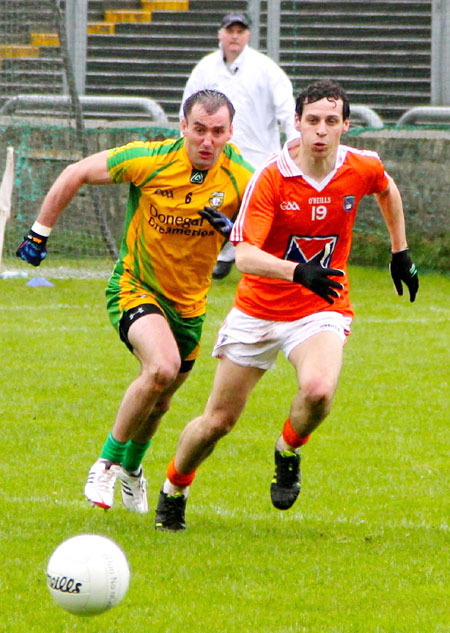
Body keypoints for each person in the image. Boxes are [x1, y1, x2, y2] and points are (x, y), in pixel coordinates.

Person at [154, 79, 419, 531]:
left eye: (330, 121)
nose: (320, 130)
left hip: (321, 307)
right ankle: (174, 488)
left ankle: (287, 450)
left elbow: (386, 189)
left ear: (345, 127)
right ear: (296, 123)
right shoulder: (273, 177)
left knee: (318, 391)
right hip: (258, 309)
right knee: (218, 422)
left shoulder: (362, 166)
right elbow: (246, 255)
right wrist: (298, 271)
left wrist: (400, 251)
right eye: (312, 120)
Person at [16, 89, 254, 515]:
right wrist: (39, 232)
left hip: (190, 306)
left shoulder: (241, 178)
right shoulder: (150, 159)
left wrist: (237, 229)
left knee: (160, 401)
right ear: (182, 127)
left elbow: (264, 237)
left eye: (217, 132)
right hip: (136, 287)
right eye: (198, 129)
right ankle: (105, 463)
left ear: (230, 133)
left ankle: (132, 471)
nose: (207, 141)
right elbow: (76, 172)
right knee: (160, 368)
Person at [180, 11, 297, 280]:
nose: (234, 36)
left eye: (240, 30)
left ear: (248, 34)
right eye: (229, 30)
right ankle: (215, 255)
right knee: (210, 203)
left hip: (257, 156)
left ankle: (250, 258)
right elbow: (187, 106)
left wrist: (292, 147)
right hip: (216, 152)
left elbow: (287, 111)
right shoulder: (206, 68)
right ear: (220, 33)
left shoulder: (266, 69)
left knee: (259, 209)